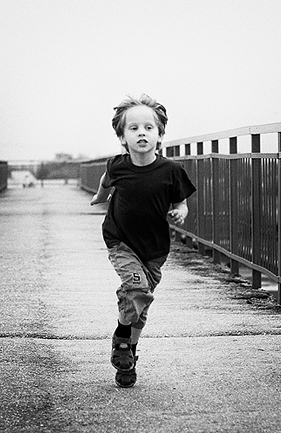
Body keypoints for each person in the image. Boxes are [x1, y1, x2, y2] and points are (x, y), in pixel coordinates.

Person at [90, 94, 196, 388]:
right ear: (122, 137)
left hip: (155, 249)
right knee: (137, 289)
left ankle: (129, 352)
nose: (142, 133)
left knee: (141, 303)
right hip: (120, 241)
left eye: (149, 128)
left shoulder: (171, 171)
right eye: (133, 128)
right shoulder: (117, 166)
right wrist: (99, 197)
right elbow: (105, 182)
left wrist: (180, 213)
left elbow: (182, 203)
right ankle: (122, 336)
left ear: (160, 135)